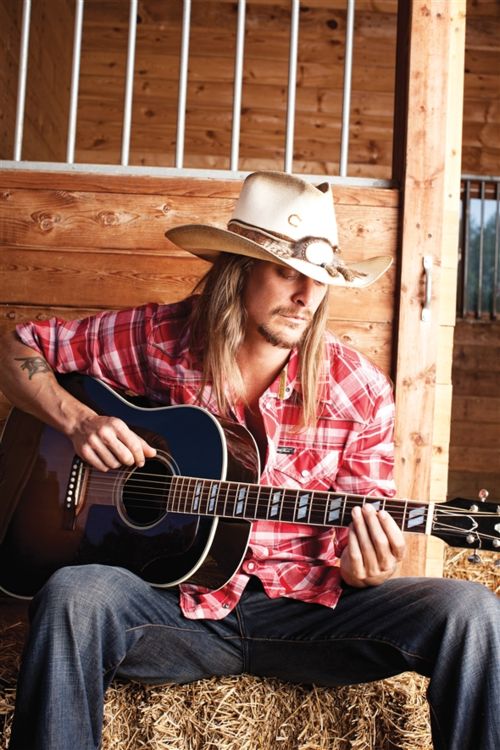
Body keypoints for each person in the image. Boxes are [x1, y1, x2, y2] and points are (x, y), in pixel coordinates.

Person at [0, 171, 498, 750]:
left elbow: (360, 550)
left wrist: (366, 568)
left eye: (319, 278)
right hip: (171, 610)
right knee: (73, 595)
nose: (306, 295)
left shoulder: (358, 389)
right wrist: (78, 420)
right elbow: (14, 349)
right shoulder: (158, 337)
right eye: (287, 271)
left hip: (306, 619)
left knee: (472, 610)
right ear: (239, 268)